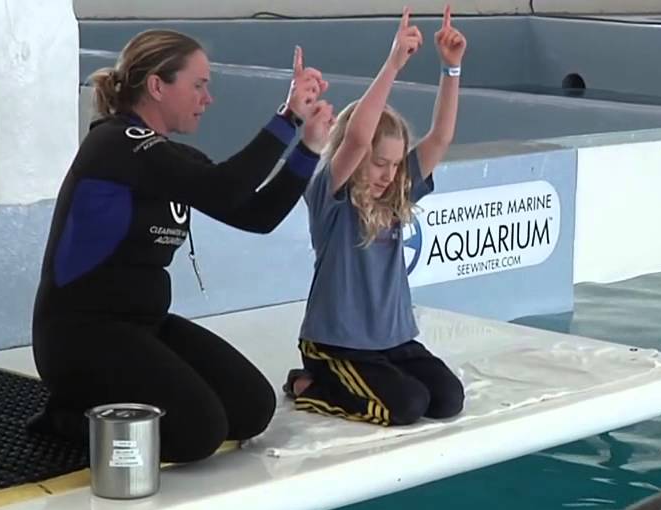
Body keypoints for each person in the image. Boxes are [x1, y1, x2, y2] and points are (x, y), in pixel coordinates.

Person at [28, 29, 335, 463]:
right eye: (198, 85)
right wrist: (286, 118)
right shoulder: (115, 145)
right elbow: (227, 187)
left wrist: (308, 148)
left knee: (252, 408)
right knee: (198, 432)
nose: (207, 99)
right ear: (157, 85)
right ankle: (69, 415)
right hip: (80, 336)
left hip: (144, 325)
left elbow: (256, 215)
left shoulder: (169, 159)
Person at [283, 6, 466, 427]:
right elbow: (359, 135)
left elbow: (441, 137)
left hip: (393, 341)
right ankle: (308, 385)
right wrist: (394, 64)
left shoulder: (395, 193)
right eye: (379, 163)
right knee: (404, 407)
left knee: (446, 400)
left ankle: (379, 377)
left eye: (395, 164)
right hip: (336, 346)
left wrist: (450, 69)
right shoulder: (332, 195)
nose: (389, 174)